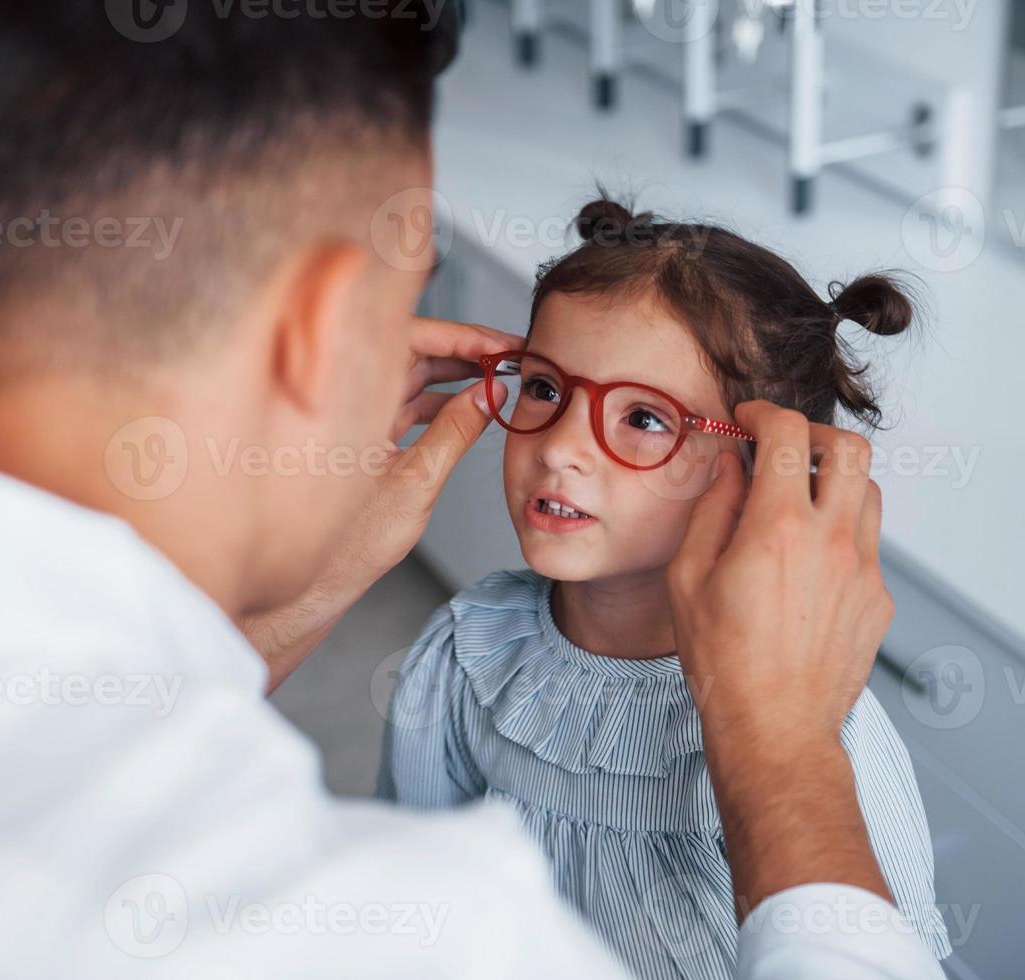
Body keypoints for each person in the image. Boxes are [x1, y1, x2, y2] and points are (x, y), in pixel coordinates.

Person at [0, 3, 945, 977]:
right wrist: (785, 764)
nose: (567, 445)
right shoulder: (423, 913)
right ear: (321, 326)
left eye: (637, 417)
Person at [377, 197, 951, 977]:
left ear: (760, 467)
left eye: (645, 417)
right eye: (545, 388)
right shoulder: (466, 654)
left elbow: (869, 941)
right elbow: (407, 891)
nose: (562, 450)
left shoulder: (817, 728)